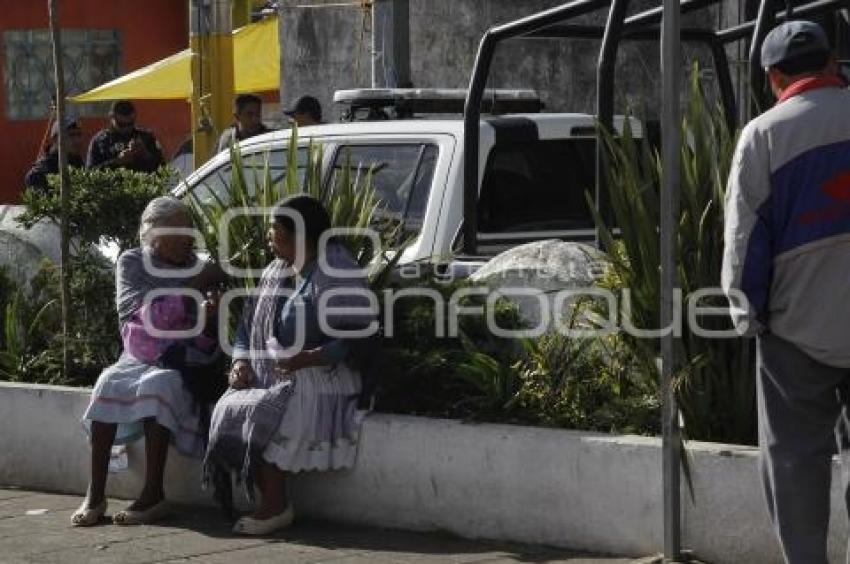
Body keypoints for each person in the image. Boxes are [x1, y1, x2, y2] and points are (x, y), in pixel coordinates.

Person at [722, 20, 850, 564]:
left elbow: (744, 238)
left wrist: (746, 314)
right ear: (831, 63)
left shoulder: (764, 135)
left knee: (795, 462)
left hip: (795, 334)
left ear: (774, 76)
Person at [204, 195, 375, 535]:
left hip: (325, 371)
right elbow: (247, 325)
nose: (269, 237)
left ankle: (275, 505)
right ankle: (267, 497)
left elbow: (358, 338)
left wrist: (308, 358)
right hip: (277, 369)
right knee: (235, 403)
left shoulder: (337, 270)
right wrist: (240, 362)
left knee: (274, 404)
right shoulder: (275, 271)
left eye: (275, 230)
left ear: (301, 234)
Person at [72, 197, 227, 527]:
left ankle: (153, 493)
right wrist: (192, 288)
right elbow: (135, 310)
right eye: (181, 230)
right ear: (156, 235)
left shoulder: (200, 265)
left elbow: (211, 326)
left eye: (190, 230)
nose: (189, 238)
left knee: (160, 385)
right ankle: (95, 494)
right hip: (139, 351)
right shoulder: (132, 262)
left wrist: (208, 311)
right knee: (107, 382)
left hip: (183, 356)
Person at [87, 100, 164, 172]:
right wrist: (117, 162)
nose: (126, 128)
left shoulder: (146, 137)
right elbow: (91, 173)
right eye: (121, 124)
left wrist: (145, 154)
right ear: (111, 118)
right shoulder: (100, 140)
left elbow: (163, 168)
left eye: (130, 124)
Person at [24, 118, 85, 192]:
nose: (77, 140)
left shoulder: (77, 163)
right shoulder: (41, 171)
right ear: (55, 139)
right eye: (71, 135)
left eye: (79, 134)